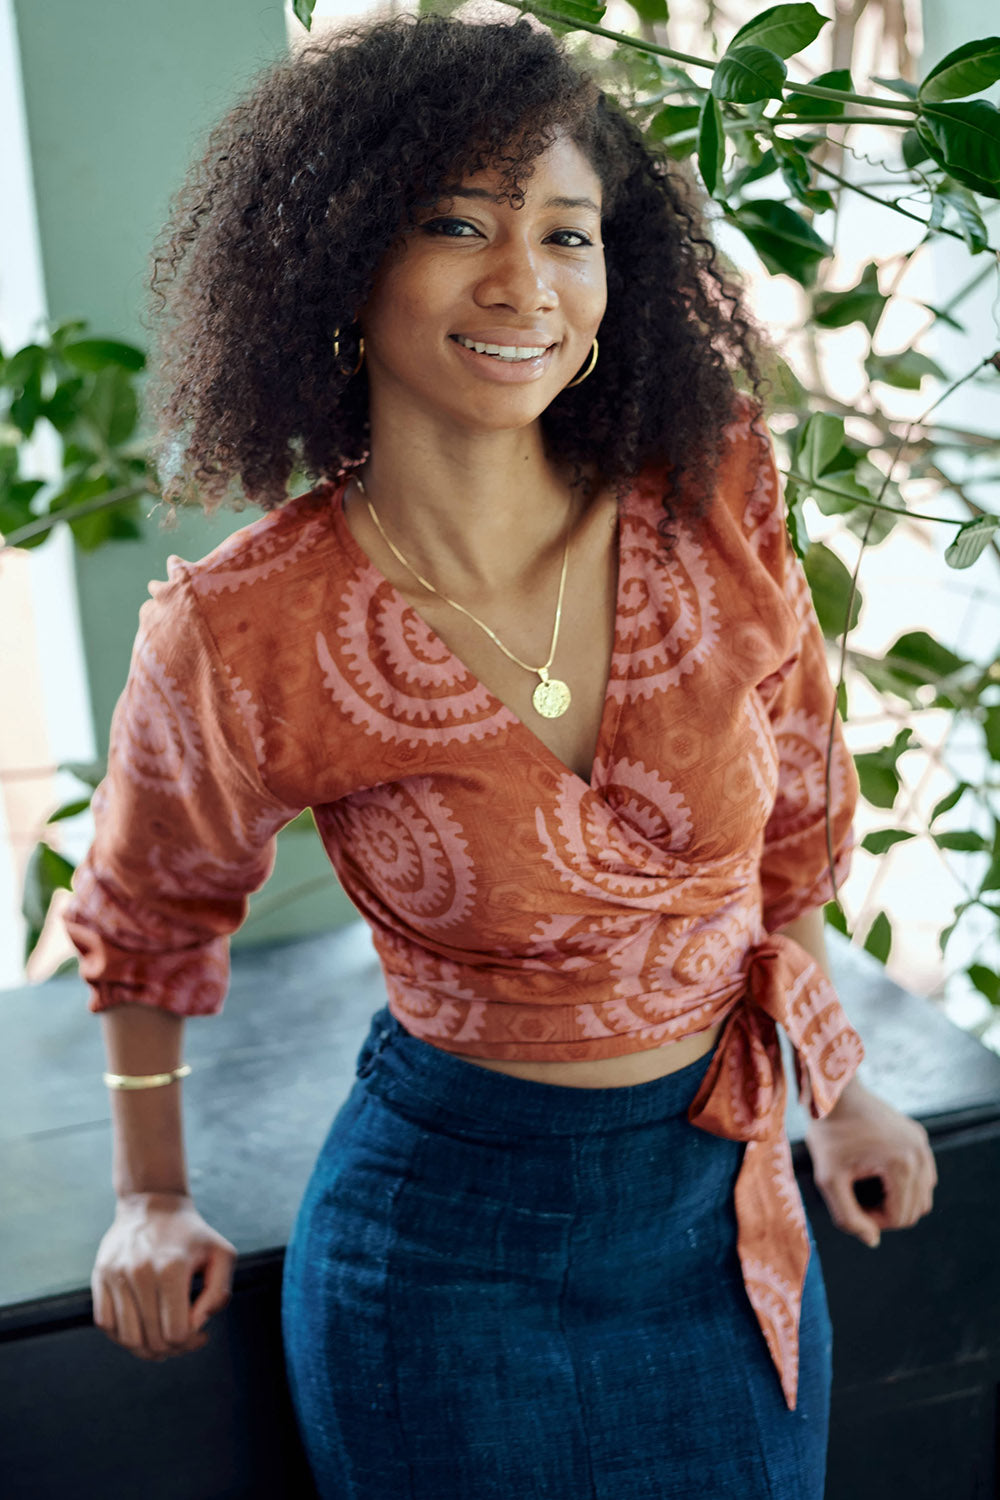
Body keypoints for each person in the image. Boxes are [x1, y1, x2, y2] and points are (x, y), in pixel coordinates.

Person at [63, 11, 938, 1498]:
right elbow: (147, 916)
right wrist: (150, 1197)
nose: (523, 282)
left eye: (567, 234)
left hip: (721, 1220)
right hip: (441, 1257)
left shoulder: (714, 493)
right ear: (344, 261)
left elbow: (792, 823)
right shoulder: (248, 627)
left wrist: (837, 1089)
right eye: (458, 224)